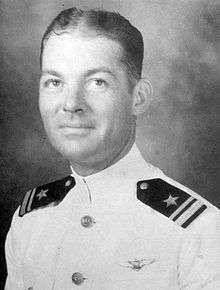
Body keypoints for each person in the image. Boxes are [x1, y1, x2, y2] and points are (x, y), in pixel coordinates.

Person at [5, 7, 220, 290]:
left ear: (138, 98)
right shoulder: (30, 220)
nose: (71, 104)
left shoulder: (199, 231)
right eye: (54, 82)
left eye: (97, 82)